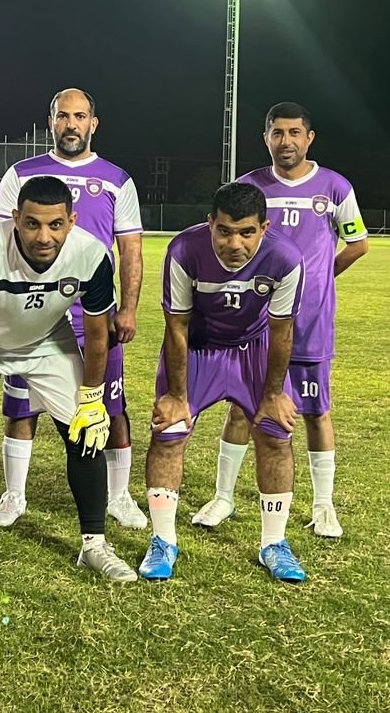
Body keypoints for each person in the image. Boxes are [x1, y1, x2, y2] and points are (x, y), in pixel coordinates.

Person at [0, 176, 137, 596]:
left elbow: (97, 332)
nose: (43, 236)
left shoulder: (91, 253)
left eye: (55, 225)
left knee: (87, 432)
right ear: (15, 218)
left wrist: (92, 397)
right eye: (32, 224)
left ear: (71, 221)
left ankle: (94, 545)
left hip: (47, 343)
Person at [194, 103, 367, 538]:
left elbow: (358, 244)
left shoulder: (335, 187)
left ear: (309, 138)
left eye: (294, 133)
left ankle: (324, 505)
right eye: (277, 133)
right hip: (254, 323)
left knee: (315, 411)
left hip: (310, 323)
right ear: (266, 138)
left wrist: (319, 280)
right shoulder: (247, 187)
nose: (285, 141)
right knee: (242, 408)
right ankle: (223, 497)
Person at [0, 88, 147, 530]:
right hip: (32, 317)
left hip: (95, 317)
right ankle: (14, 494)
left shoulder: (117, 180)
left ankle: (119, 496)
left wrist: (128, 309)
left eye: (79, 116)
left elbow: (131, 250)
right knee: (21, 407)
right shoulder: (22, 174)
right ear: (51, 121)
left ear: (93, 123)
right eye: (63, 116)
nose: (71, 124)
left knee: (111, 407)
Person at [141, 182, 308, 582]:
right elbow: (177, 326)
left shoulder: (286, 258)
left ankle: (274, 544)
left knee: (275, 433)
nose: (235, 244)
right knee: (169, 431)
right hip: (199, 347)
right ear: (210, 223)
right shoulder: (184, 250)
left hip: (254, 349)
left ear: (264, 228)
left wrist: (273, 394)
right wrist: (176, 395)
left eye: (247, 232)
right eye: (225, 231)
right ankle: (163, 541)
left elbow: (282, 331)